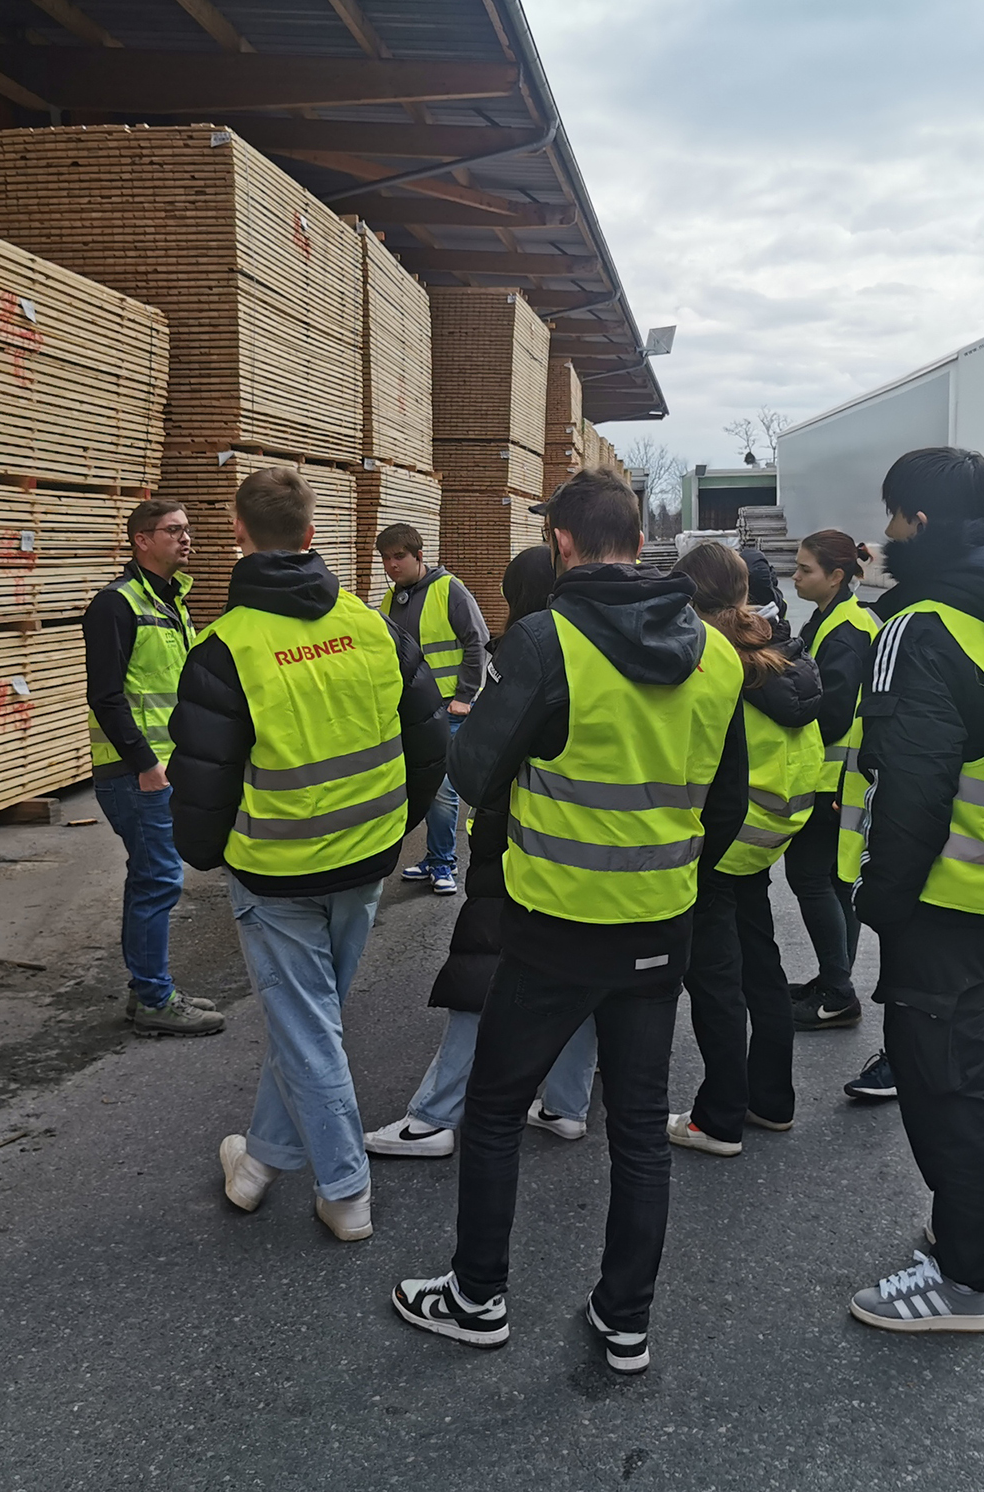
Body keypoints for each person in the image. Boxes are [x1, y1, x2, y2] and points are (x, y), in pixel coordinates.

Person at [390, 469, 748, 1375]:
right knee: (638, 1128)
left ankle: (477, 1297)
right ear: (640, 541)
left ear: (561, 544)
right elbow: (728, 805)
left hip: (554, 924)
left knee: (495, 1110)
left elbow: (475, 771)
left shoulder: (549, 640)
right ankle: (625, 1322)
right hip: (661, 926)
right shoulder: (716, 654)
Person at [167, 466, 448, 1243]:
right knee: (311, 1023)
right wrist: (396, 825)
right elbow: (430, 741)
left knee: (308, 1028)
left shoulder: (226, 647)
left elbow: (202, 783)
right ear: (312, 535)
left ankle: (346, 1192)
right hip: (366, 860)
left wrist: (206, 854)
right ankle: (258, 1163)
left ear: (239, 535)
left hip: (278, 873)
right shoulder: (370, 626)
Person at [842, 446, 984, 1334]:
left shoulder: (924, 624)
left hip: (941, 899)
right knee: (980, 1070)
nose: (886, 530)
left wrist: (882, 902)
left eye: (894, 514)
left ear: (921, 521)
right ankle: (958, 1230)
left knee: (944, 1087)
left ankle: (964, 1280)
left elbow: (911, 788)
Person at [364, 544, 600, 1160]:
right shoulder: (596, 652)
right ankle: (566, 1105)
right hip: (589, 858)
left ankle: (434, 1118)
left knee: (480, 979)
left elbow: (477, 769)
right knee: (577, 981)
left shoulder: (528, 653)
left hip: (517, 848)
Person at [666, 543, 821, 1157]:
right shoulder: (781, 654)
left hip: (718, 841)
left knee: (715, 985)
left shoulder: (711, 662)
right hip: (763, 840)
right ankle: (771, 1100)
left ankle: (719, 1119)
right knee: (761, 969)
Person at [83, 498, 224, 1037]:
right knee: (159, 878)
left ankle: (146, 988)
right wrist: (145, 764)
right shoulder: (116, 605)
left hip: (166, 766)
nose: (186, 538)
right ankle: (154, 1000)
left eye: (187, 529)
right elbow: (106, 695)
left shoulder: (170, 602)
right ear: (141, 540)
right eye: (173, 530)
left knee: (151, 876)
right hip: (135, 773)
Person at [785, 530, 879, 1031]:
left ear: (836, 576)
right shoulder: (834, 618)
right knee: (836, 882)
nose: (796, 576)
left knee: (810, 877)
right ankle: (833, 981)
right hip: (839, 779)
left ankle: (838, 991)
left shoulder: (845, 631)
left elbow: (833, 712)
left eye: (806, 569)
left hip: (833, 780)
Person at [376, 522, 490, 897]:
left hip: (448, 709)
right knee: (418, 787)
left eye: (399, 557)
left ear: (419, 555)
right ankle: (433, 857)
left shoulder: (448, 589)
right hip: (410, 712)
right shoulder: (390, 601)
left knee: (441, 789)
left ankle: (443, 863)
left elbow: (477, 641)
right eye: (386, 558)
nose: (392, 565)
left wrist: (465, 695)